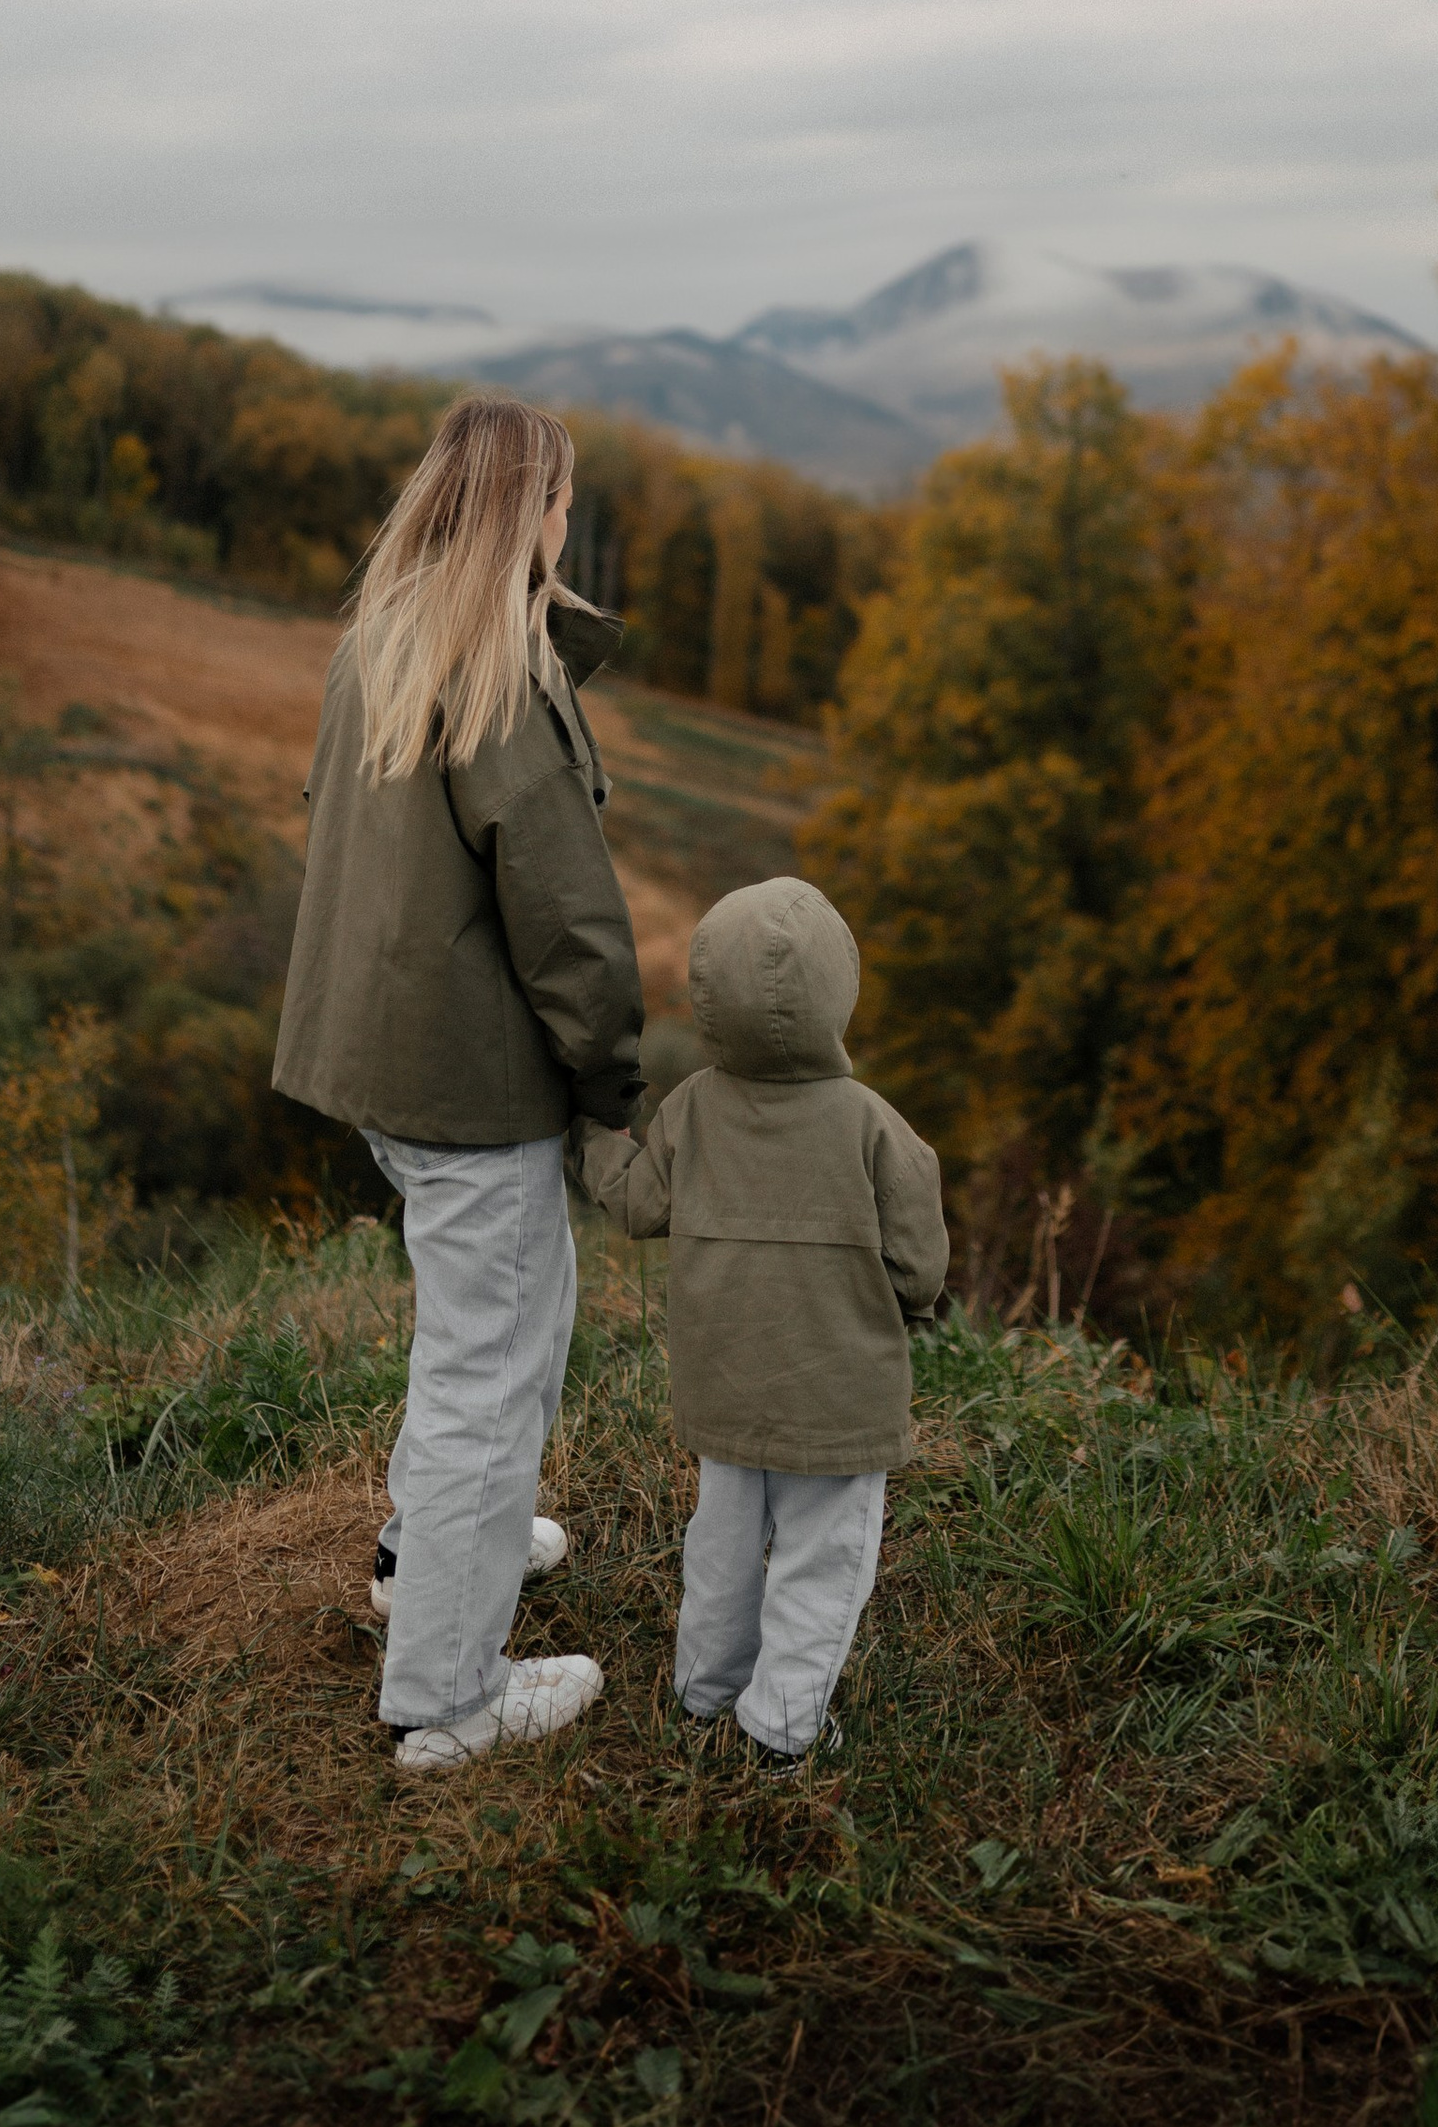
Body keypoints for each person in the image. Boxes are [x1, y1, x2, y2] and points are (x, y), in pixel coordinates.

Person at [272, 392, 644, 1775]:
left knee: (490, 1334)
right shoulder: (498, 674)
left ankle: (419, 1555)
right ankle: (446, 1696)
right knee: (493, 1370)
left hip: (389, 1062)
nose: (566, 521)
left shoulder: (387, 632)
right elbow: (571, 922)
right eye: (558, 501)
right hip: (466, 1077)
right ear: (527, 509)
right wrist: (615, 1076)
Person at [567, 875, 947, 1763]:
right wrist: (913, 1307)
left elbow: (633, 1204)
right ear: (840, 993)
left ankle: (704, 1695)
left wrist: (585, 1134)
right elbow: (919, 1265)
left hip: (725, 1386)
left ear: (708, 999)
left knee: (723, 1548)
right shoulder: (875, 1129)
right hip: (840, 1398)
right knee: (823, 1561)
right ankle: (780, 1728)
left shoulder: (694, 1107)